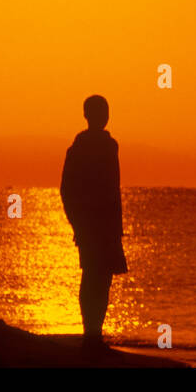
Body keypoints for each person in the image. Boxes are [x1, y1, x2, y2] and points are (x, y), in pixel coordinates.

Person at [60, 94, 128, 350]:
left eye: (106, 111)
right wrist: (77, 223)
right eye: (100, 111)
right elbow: (67, 189)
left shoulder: (111, 146)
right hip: (91, 225)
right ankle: (90, 333)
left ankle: (95, 332)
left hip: (107, 226)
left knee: (103, 278)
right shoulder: (79, 149)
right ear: (89, 115)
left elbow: (113, 189)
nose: (104, 116)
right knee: (93, 277)